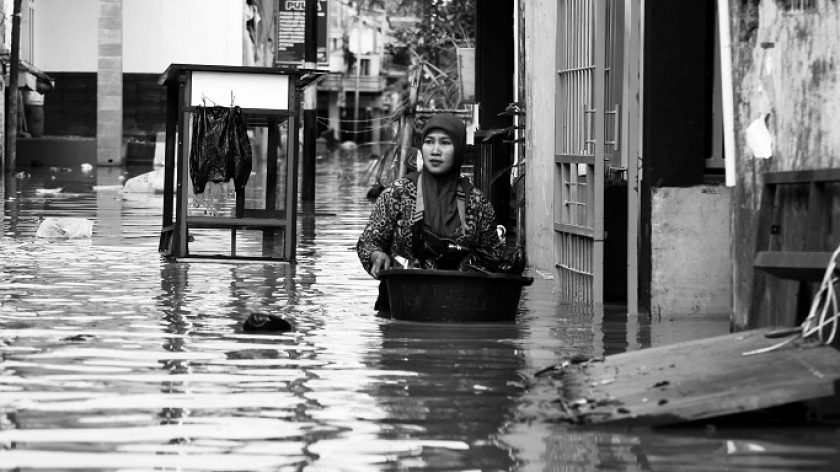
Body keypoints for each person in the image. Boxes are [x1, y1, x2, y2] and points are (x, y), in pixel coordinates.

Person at [356, 113, 504, 310]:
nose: (435, 151)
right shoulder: (397, 194)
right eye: (428, 142)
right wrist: (376, 256)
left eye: (445, 143)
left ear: (459, 149)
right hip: (399, 309)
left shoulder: (477, 204)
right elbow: (368, 242)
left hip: (458, 311)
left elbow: (492, 258)